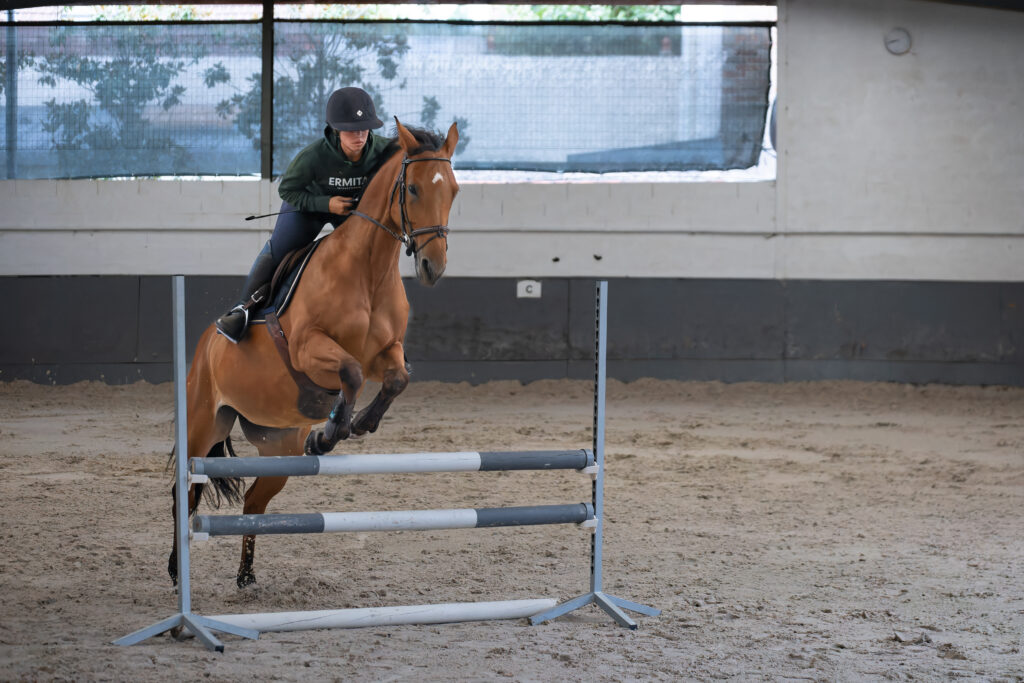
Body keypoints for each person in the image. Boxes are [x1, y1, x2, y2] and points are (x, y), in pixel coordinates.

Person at [215, 86, 391, 343]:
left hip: (352, 213)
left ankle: (385, 325)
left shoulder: (384, 150)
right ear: (336, 130)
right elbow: (288, 190)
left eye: (364, 129)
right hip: (308, 208)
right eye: (352, 130)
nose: (360, 136)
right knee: (280, 248)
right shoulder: (313, 156)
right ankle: (243, 309)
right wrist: (326, 204)